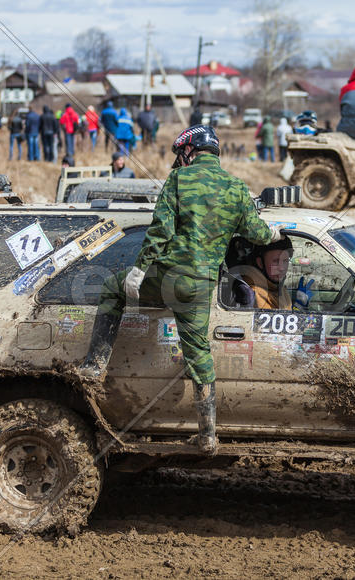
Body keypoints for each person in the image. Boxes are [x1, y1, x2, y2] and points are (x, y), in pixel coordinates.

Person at [78, 125, 282, 454]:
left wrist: (139, 270)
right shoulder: (235, 186)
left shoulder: (178, 180)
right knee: (199, 355)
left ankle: (94, 365)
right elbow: (255, 232)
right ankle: (208, 435)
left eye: (181, 154)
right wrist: (273, 233)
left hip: (171, 276)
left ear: (189, 150)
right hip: (202, 287)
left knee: (112, 289)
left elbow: (160, 230)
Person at [241, 238, 314, 310]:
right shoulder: (254, 294)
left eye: (285, 261)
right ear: (260, 263)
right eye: (276, 261)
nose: (282, 268)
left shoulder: (278, 288)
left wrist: (299, 305)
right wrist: (299, 307)